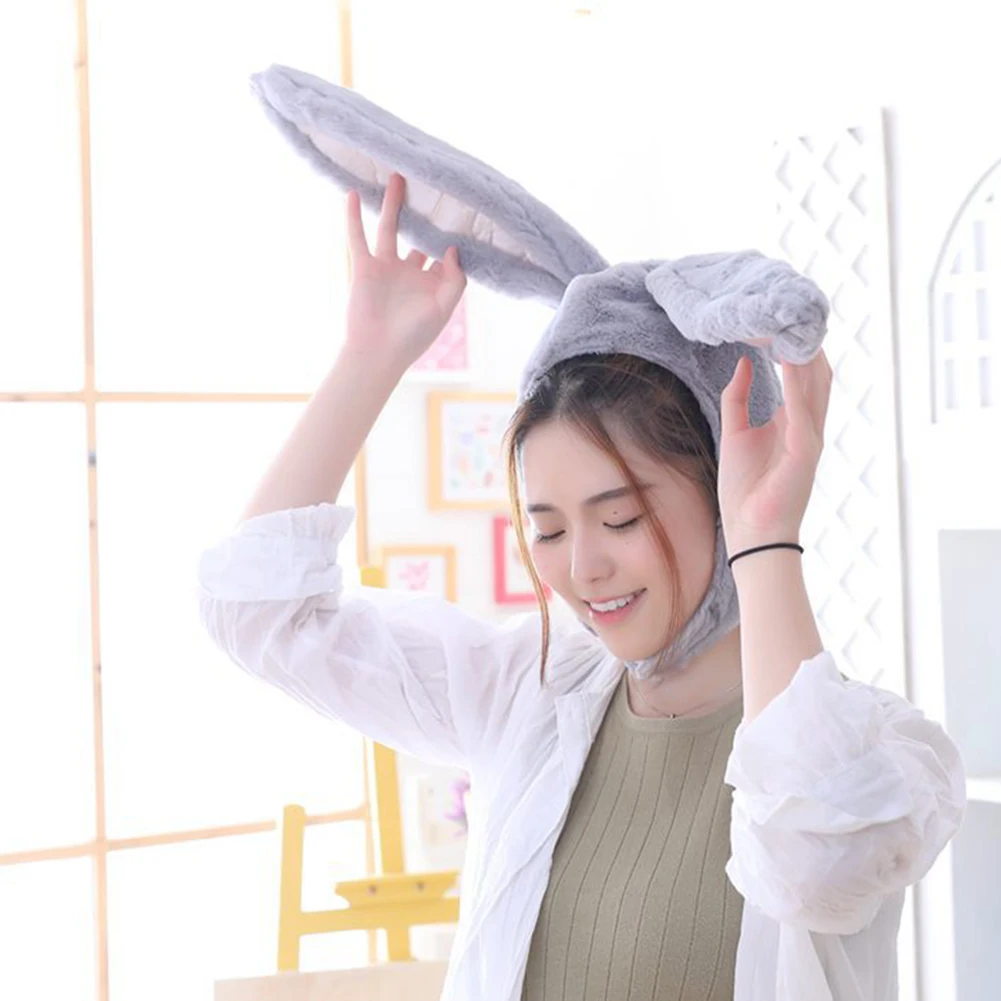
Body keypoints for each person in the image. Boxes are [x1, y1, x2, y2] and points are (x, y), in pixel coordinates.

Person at [198, 164, 965, 1000]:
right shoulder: (526, 694)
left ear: (721, 486)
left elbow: (815, 865)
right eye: (549, 529)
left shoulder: (883, 752)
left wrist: (766, 536)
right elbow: (259, 613)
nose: (582, 567)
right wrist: (369, 356)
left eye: (620, 518)